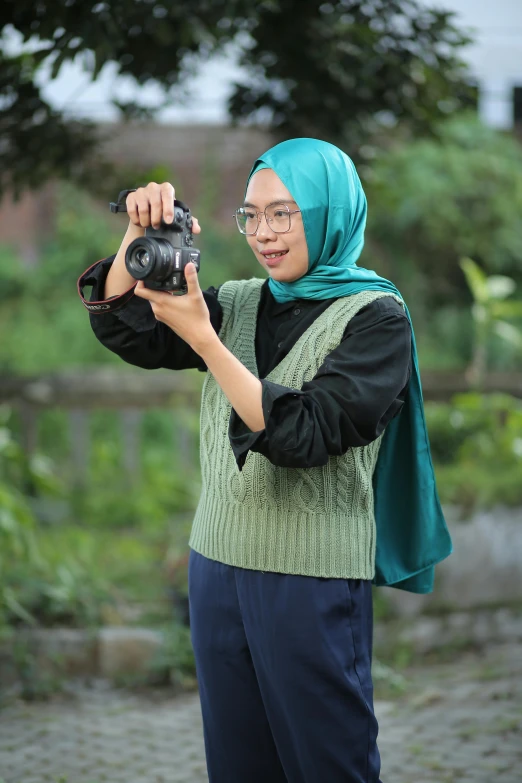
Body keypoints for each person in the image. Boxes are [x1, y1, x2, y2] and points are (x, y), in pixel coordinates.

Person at [78, 138, 452, 783]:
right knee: (239, 765)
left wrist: (205, 341)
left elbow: (304, 435)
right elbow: (128, 331)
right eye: (251, 216)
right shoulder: (243, 301)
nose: (265, 234)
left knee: (326, 762)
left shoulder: (376, 319)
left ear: (330, 211)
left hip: (310, 579)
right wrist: (136, 238)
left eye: (284, 213)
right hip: (216, 570)